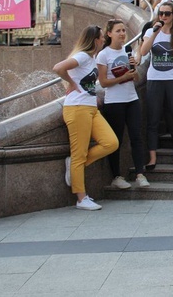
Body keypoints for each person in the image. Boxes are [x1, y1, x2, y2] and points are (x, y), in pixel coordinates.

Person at [53, 25, 118, 210]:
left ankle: (74, 166)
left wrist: (93, 95)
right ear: (95, 40)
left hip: (90, 108)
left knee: (111, 142)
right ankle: (81, 199)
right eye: (101, 38)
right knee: (79, 154)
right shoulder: (82, 56)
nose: (104, 40)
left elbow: (87, 82)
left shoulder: (92, 58)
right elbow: (58, 68)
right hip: (77, 108)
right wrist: (71, 82)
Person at [97, 19, 149, 189]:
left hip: (132, 99)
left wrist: (133, 69)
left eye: (123, 31)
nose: (122, 34)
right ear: (109, 33)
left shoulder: (128, 52)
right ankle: (116, 176)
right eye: (118, 31)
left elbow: (137, 78)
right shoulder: (104, 55)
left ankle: (140, 174)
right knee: (116, 139)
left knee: (136, 136)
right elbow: (103, 82)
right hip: (114, 102)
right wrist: (123, 78)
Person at [140, 0, 173, 169]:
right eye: (161, 13)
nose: (163, 16)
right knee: (153, 118)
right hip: (155, 79)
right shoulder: (151, 31)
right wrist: (155, 32)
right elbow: (143, 51)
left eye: (167, 13)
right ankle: (152, 157)